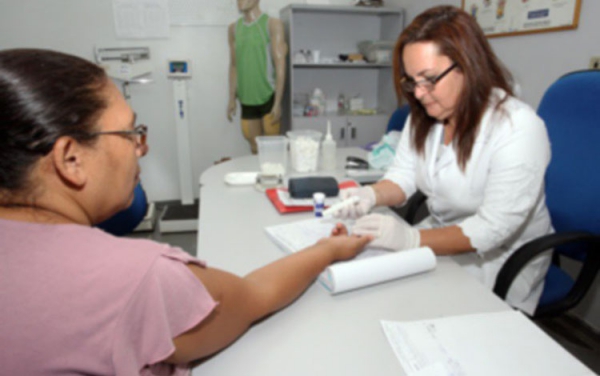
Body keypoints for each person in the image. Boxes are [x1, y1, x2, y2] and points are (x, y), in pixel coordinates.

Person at [0, 48, 370, 375]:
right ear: (71, 159)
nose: (140, 148)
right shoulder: (141, 279)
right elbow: (254, 294)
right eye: (130, 134)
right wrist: (329, 250)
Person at [335, 5, 553, 315]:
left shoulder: (519, 128)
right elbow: (404, 175)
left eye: (430, 79)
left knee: (420, 312)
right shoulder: (427, 113)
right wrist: (369, 194)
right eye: (411, 81)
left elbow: (491, 229)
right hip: (442, 233)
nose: (420, 94)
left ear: (468, 65)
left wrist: (410, 238)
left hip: (501, 256)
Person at [227, 0, 287, 154]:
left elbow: (280, 64)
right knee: (254, 148)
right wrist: (231, 97)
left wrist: (278, 102)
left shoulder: (272, 25)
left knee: (272, 150)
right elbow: (234, 65)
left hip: (268, 97)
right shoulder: (233, 29)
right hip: (246, 98)